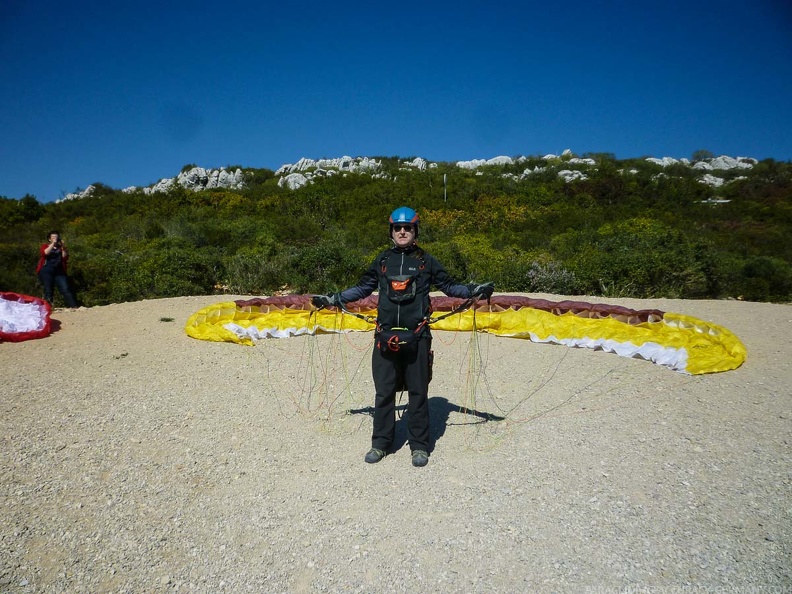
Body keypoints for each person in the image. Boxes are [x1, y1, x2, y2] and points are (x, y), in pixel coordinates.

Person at [312, 207, 493, 467]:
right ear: (391, 232)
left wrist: (473, 291)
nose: (402, 231)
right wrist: (334, 299)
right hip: (384, 338)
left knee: (418, 393)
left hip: (418, 338)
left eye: (407, 227)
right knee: (383, 393)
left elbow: (450, 286)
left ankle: (419, 446)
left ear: (415, 231)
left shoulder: (427, 260)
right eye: (397, 228)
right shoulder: (382, 260)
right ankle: (381, 443)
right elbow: (363, 288)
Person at [36, 232, 78, 308]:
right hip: (46, 270)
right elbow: (45, 253)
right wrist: (52, 244)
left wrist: (63, 246)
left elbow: (65, 257)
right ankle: (48, 308)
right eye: (53, 237)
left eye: (56, 237)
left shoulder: (60, 247)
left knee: (65, 289)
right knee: (48, 289)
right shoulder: (45, 246)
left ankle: (73, 306)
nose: (55, 238)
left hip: (59, 270)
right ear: (49, 239)